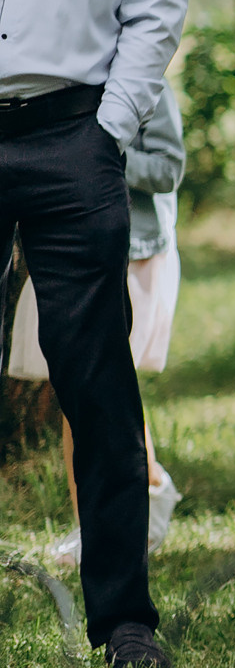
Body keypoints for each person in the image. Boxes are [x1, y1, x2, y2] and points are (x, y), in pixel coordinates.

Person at [0, 0, 191, 668]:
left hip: (73, 135)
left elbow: (155, 12)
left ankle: (124, 620)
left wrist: (103, 134)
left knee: (98, 385)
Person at [11, 86, 187, 565]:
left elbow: (168, 169)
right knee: (78, 395)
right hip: (65, 250)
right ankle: (94, 523)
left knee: (107, 390)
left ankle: (141, 497)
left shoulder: (149, 86)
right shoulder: (53, 84)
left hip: (133, 256)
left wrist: (96, 151)